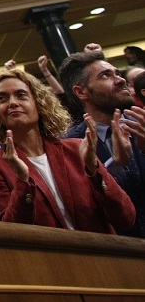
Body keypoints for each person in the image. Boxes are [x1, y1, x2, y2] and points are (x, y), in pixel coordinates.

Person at [0, 68, 135, 234]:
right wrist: (22, 181)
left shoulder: (76, 149)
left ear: (39, 103)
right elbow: (11, 232)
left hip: (100, 255)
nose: (12, 102)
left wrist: (93, 168)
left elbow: (126, 218)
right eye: (2, 98)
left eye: (21, 95)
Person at [58, 50, 145, 236]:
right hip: (119, 252)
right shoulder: (68, 145)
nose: (120, 80)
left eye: (117, 74)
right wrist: (115, 166)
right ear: (81, 92)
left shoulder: (142, 123)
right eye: (105, 76)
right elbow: (86, 207)